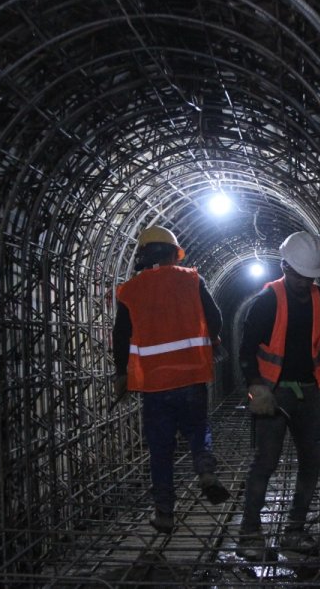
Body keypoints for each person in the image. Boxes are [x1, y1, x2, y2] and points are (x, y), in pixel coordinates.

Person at [113, 225, 231, 533]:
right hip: (191, 376)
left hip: (154, 384)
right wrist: (213, 339)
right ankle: (204, 467)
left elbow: (121, 336)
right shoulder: (193, 280)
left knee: (161, 449)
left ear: (143, 257)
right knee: (197, 428)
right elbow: (215, 317)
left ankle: (164, 512)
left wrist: (120, 374)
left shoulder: (130, 290)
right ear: (173, 252)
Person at [236, 231, 320, 560]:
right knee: (265, 462)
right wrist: (256, 386)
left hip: (307, 389)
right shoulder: (267, 302)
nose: (304, 283)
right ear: (284, 267)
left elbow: (311, 337)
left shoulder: (318, 297)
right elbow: (246, 349)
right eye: (299, 276)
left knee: (313, 460)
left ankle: (295, 529)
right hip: (273, 392)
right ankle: (250, 532)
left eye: (310, 277)